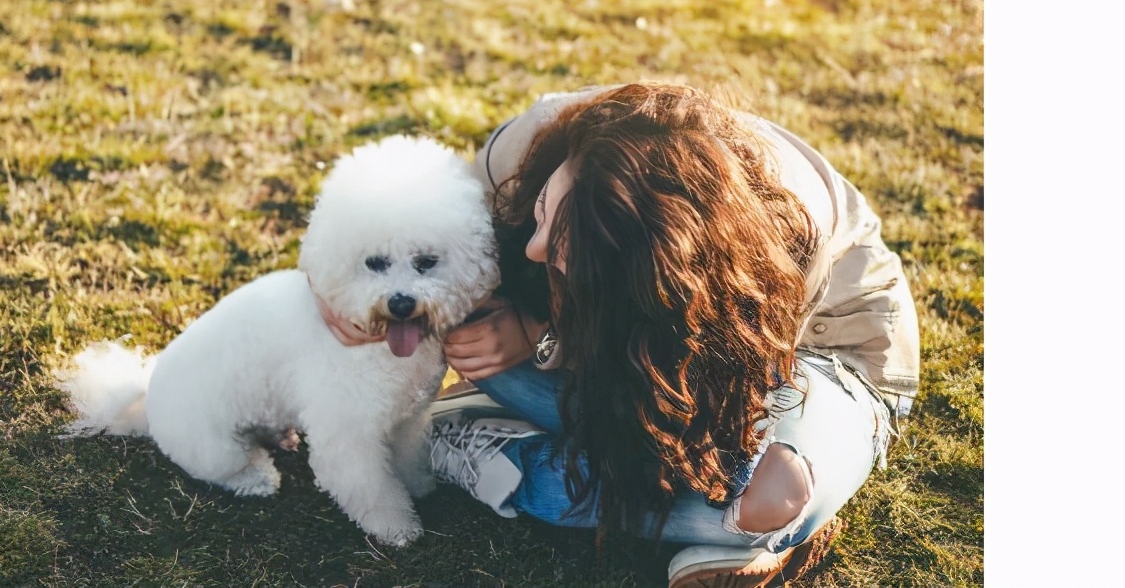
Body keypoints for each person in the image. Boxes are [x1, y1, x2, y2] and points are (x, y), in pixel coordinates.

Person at [323, 83, 920, 587]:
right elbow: (412, 241)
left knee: (774, 494)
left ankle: (506, 448)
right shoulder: (530, 146)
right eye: (543, 216)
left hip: (809, 348)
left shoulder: (771, 234)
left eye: (566, 252)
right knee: (495, 358)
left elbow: (696, 388)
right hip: (623, 353)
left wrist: (548, 341)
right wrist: (337, 296)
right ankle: (502, 446)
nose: (532, 251)